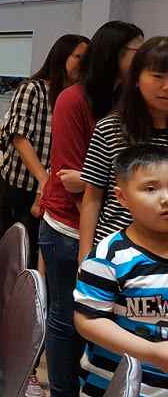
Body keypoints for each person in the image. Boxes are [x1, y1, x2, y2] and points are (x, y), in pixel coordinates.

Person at [38, 21, 143, 397]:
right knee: (68, 319)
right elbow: (68, 178)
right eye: (136, 51)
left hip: (114, 231)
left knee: (105, 322)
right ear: (115, 54)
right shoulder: (74, 99)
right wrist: (92, 232)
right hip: (70, 227)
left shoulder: (129, 104)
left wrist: (91, 180)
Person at [74, 145, 168, 396]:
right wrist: (153, 352)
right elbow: (88, 321)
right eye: (151, 188)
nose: (166, 198)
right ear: (122, 197)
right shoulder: (109, 257)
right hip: (117, 387)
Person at [0, 33, 89, 267]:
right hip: (25, 184)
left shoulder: (78, 95)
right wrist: (43, 178)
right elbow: (19, 138)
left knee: (46, 255)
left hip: (58, 190)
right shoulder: (33, 88)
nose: (83, 63)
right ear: (61, 56)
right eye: (78, 57)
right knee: (21, 253)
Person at [80, 36, 168, 259]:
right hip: (116, 250)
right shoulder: (110, 129)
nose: (166, 87)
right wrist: (85, 254)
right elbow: (92, 197)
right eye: (158, 76)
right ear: (136, 79)